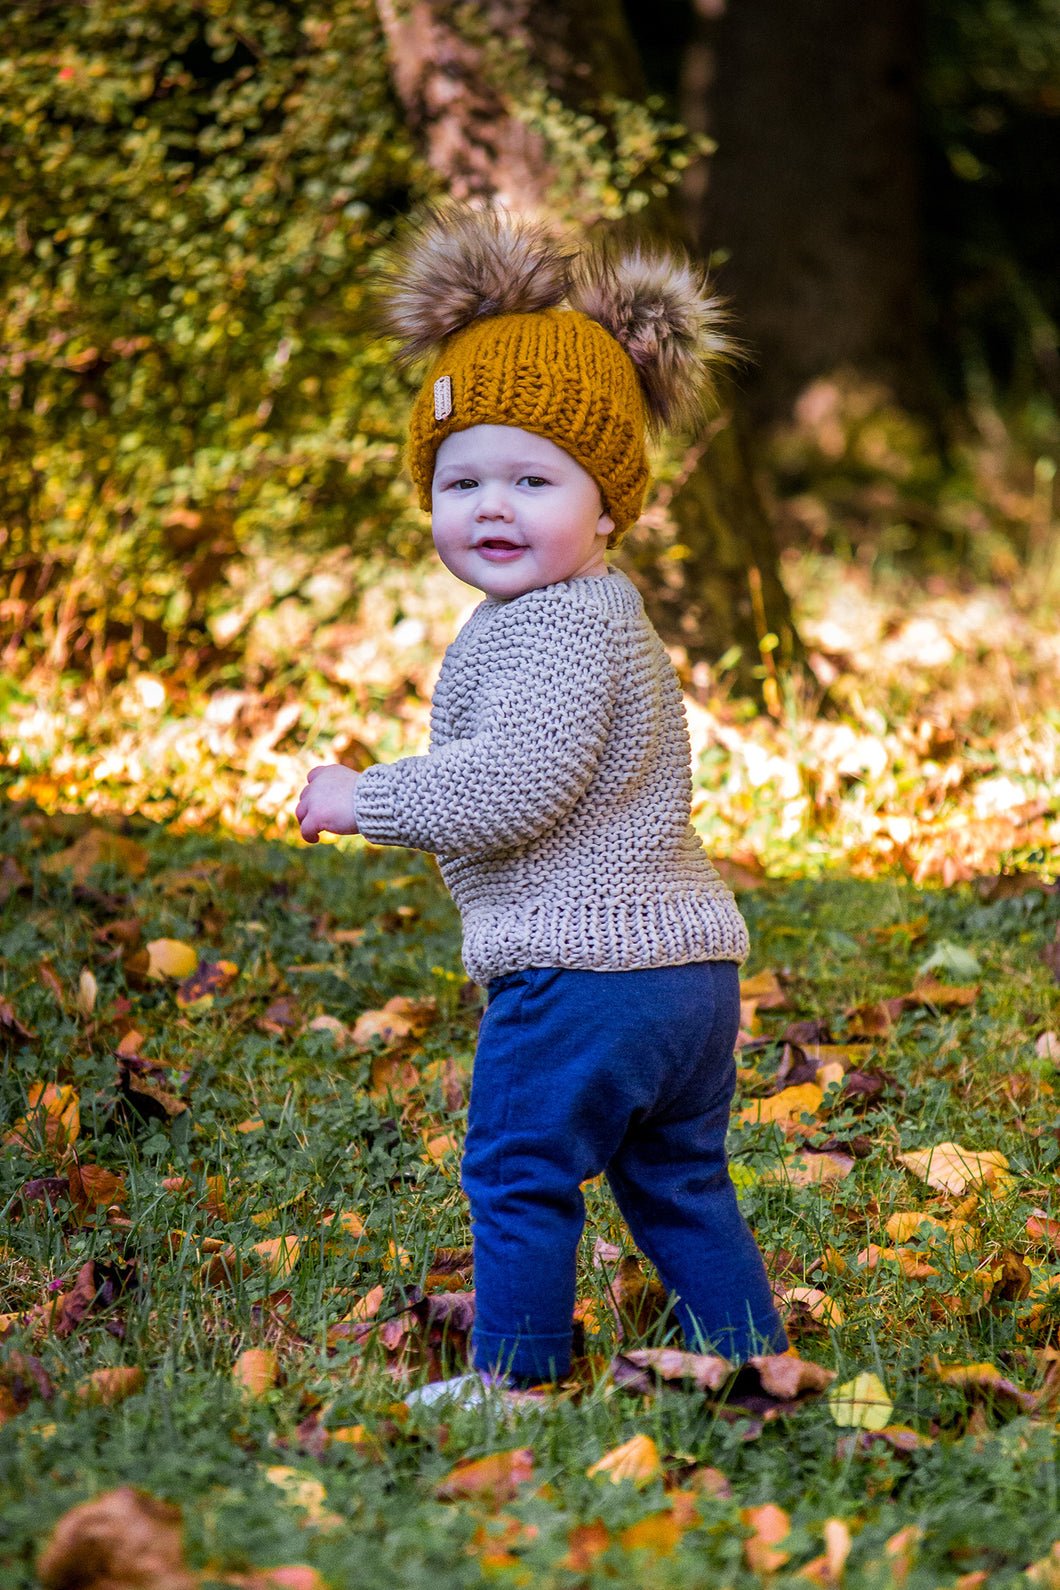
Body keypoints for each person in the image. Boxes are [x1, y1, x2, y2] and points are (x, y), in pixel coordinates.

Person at [295, 208, 787, 1387]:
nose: (492, 507)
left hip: (582, 973)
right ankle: (749, 1356)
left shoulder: (555, 626)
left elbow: (517, 787)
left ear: (611, 503)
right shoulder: (592, 611)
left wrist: (370, 797)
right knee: (676, 1178)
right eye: (460, 480)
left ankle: (513, 1378)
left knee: (517, 1167)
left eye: (533, 478)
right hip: (685, 975)